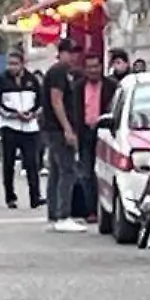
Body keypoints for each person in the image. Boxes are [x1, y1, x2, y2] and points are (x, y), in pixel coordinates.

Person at [42, 39, 89, 233]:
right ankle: (63, 214)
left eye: (76, 52)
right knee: (67, 170)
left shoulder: (62, 72)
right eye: (70, 52)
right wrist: (67, 129)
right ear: (61, 53)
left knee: (56, 171)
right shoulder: (59, 72)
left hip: (54, 128)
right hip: (58, 129)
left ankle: (55, 213)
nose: (74, 56)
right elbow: (57, 101)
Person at [0, 50, 44, 209]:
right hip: (9, 126)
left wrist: (33, 114)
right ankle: (10, 197)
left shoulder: (33, 80)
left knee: (32, 163)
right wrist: (12, 115)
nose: (12, 67)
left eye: (15, 64)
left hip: (30, 127)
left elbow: (41, 101)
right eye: (10, 64)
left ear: (22, 64)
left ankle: (35, 196)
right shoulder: (0, 80)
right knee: (8, 163)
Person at [76, 54, 116, 220]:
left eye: (96, 66)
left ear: (102, 67)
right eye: (89, 67)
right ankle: (90, 209)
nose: (93, 70)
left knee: (105, 173)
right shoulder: (77, 87)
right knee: (86, 173)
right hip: (84, 134)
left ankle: (106, 209)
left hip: (105, 133)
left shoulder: (112, 86)